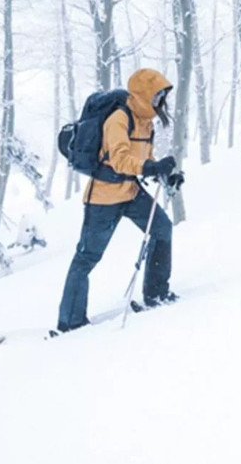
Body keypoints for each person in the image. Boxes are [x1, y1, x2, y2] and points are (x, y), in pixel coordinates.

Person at [57, 68, 182, 332]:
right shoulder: (119, 118)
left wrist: (166, 175)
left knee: (162, 229)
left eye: (162, 95)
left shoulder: (146, 121)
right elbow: (120, 159)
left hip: (130, 191)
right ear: (143, 94)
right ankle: (70, 321)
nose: (160, 100)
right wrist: (151, 168)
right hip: (103, 196)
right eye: (156, 94)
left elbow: (142, 160)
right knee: (87, 257)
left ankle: (156, 293)